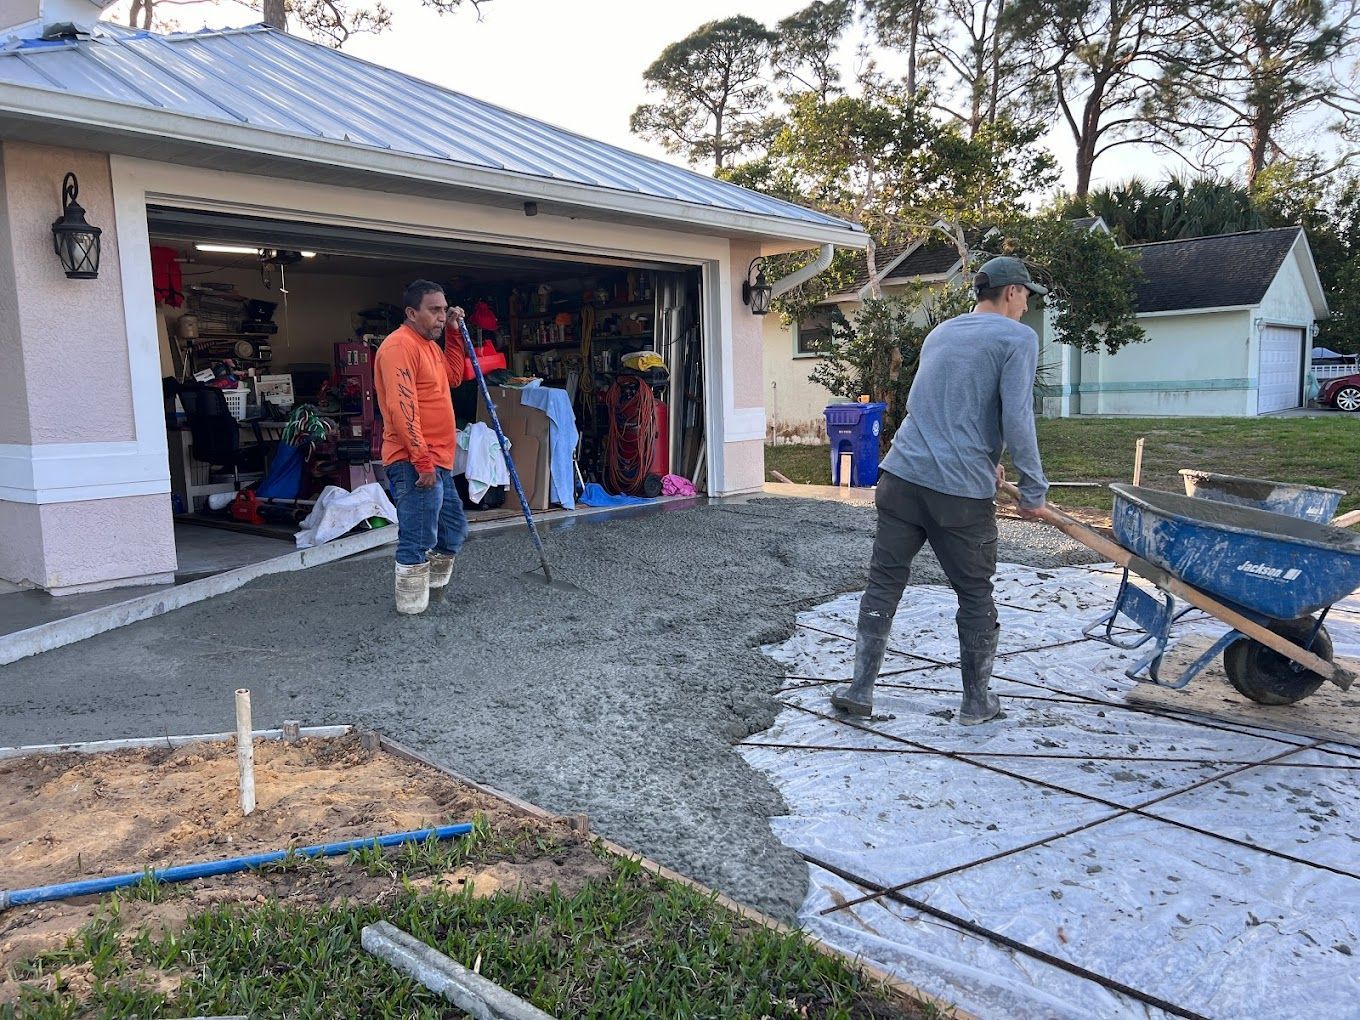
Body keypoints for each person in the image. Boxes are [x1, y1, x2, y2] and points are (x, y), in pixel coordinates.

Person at [830, 256, 1051, 725]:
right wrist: (1033, 487)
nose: (1026, 304)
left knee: (883, 584)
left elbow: (932, 406)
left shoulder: (942, 331)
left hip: (901, 478)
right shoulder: (1018, 338)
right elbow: (1017, 416)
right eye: (1026, 295)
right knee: (974, 594)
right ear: (1011, 292)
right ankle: (975, 704)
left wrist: (987, 461)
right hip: (958, 495)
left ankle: (859, 689)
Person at [374, 280, 469, 615]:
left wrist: (455, 333)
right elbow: (402, 407)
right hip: (414, 459)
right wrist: (422, 460)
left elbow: (454, 376)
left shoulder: (428, 345)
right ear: (412, 313)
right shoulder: (399, 346)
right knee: (418, 538)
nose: (441, 316)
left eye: (444, 310)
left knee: (454, 528)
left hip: (436, 458)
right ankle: (411, 609)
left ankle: (432, 596)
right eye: (434, 310)